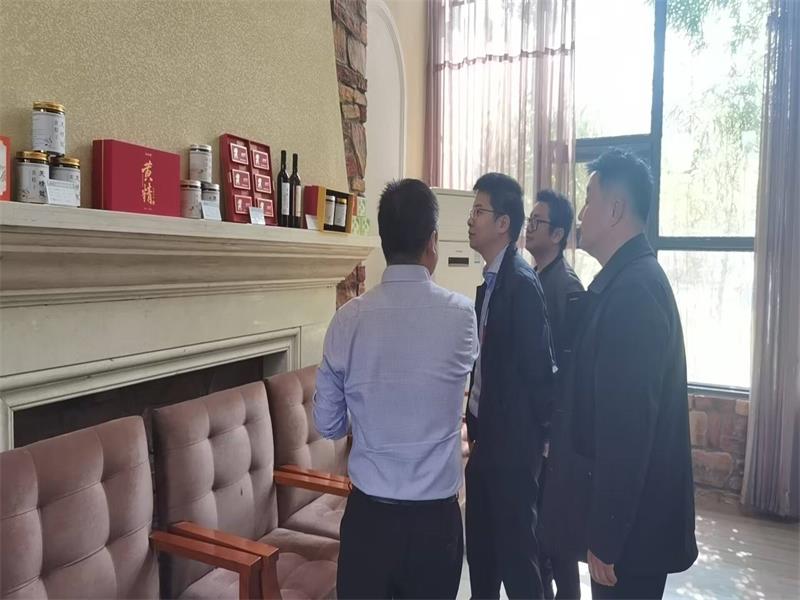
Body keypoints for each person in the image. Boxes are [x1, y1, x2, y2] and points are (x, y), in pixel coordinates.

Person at [543, 149, 698, 600]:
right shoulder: (627, 280)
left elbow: (628, 428)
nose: (581, 213)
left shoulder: (634, 292)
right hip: (632, 528)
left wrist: (607, 535)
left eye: (589, 200)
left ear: (614, 210)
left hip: (633, 536)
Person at [314, 178, 479, 599]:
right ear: (432, 241)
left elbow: (328, 424)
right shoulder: (463, 316)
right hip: (436, 524)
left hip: (369, 521)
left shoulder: (348, 319)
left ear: (384, 241)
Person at [464, 172, 556, 599]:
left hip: (513, 452)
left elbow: (540, 373)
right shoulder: (491, 282)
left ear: (503, 223)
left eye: (479, 211)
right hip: (487, 442)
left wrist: (535, 447)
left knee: (518, 562)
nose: (470, 219)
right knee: (482, 557)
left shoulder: (521, 284)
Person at [525, 189, 584, 599]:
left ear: (559, 234)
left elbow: (569, 371)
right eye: (529, 220)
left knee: (556, 540)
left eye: (538, 222)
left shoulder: (566, 287)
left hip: (554, 436)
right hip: (538, 431)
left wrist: (550, 433)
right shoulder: (536, 278)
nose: (529, 227)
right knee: (540, 538)